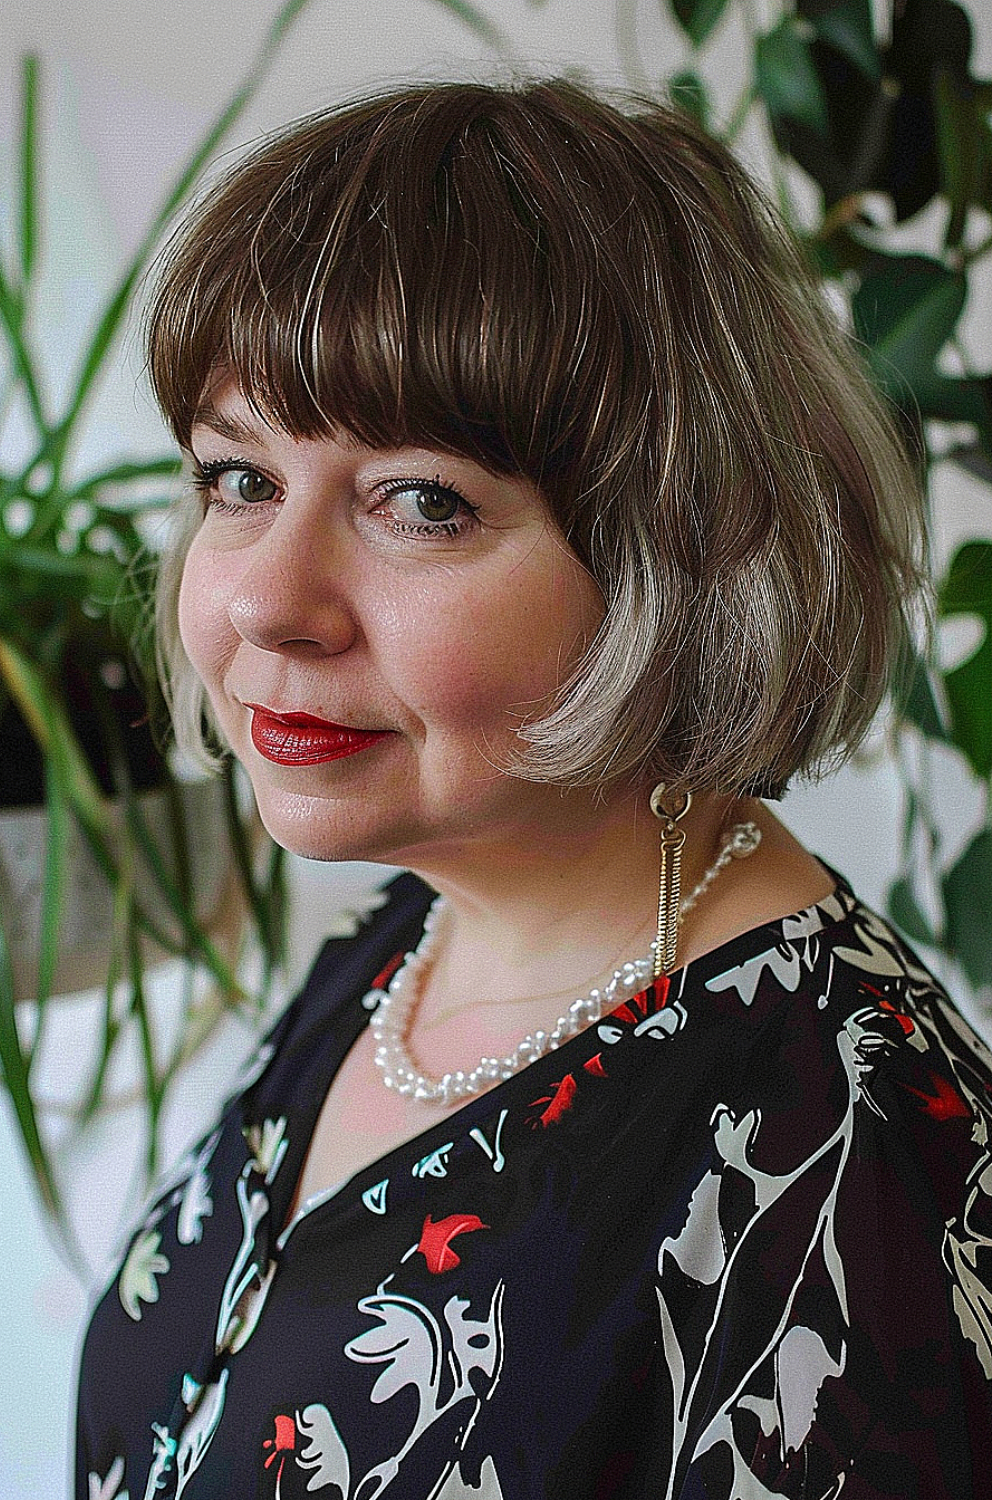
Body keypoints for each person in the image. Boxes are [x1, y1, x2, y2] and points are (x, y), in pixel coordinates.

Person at [76, 78, 992, 1500]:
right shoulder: (417, 927)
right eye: (237, 478)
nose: (265, 601)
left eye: (421, 502)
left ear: (682, 556)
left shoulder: (845, 1171)